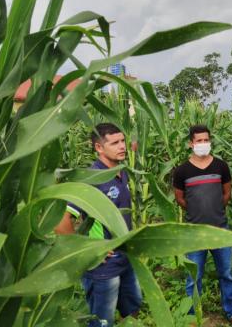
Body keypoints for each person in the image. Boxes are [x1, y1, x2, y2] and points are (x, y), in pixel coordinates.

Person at [55, 123, 142, 327]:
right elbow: (60, 220)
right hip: (103, 268)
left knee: (133, 306)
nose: (122, 146)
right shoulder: (91, 180)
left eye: (123, 141)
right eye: (114, 143)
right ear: (99, 148)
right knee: (102, 321)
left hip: (126, 258)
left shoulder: (121, 172)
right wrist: (85, 251)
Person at [172, 125, 232, 327]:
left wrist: (213, 211)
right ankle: (192, 315)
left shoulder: (221, 166)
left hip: (220, 230)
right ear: (191, 143)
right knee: (193, 278)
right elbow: (179, 198)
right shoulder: (182, 171)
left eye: (206, 140)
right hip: (194, 232)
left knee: (227, 274)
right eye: (199, 141)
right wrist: (197, 211)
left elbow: (227, 194)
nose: (203, 144)